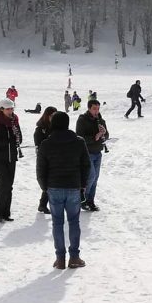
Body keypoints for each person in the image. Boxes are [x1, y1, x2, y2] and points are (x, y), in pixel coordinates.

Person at [37, 111, 90, 269]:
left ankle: (60, 259)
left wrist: (44, 187)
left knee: (57, 223)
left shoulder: (46, 143)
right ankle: (74, 257)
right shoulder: (78, 142)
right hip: (73, 187)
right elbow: (86, 165)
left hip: (54, 188)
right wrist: (83, 184)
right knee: (74, 222)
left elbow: (40, 169)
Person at [0, 99, 23, 223]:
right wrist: (7, 141)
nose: (11, 111)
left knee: (9, 186)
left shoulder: (14, 121)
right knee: (4, 184)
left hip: (11, 157)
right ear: (1, 109)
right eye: (8, 109)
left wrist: (16, 138)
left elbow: (20, 138)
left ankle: (6, 213)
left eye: (12, 109)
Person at [75, 100, 108, 212]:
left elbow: (107, 135)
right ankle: (82, 200)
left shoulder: (101, 120)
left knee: (95, 179)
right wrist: (95, 137)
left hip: (98, 152)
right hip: (86, 153)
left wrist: (104, 133)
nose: (96, 111)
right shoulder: (82, 120)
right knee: (91, 177)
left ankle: (90, 201)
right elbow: (79, 137)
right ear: (89, 108)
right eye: (94, 109)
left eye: (98, 109)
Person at [34, 106, 58, 214]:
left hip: (56, 158)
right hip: (45, 160)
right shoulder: (40, 129)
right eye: (52, 116)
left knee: (52, 182)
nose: (53, 118)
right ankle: (43, 204)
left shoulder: (56, 127)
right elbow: (39, 146)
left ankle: (43, 204)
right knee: (47, 182)